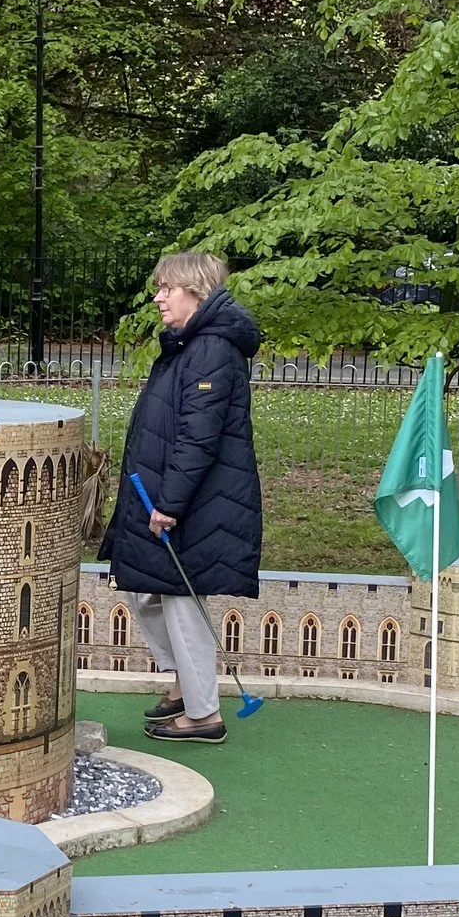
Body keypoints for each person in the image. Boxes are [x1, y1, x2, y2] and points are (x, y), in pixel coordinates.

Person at [102, 252, 263, 745]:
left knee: (180, 599)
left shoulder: (210, 349)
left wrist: (168, 504)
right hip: (170, 493)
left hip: (195, 502)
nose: (158, 297)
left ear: (194, 290)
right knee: (142, 586)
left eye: (166, 288)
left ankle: (203, 714)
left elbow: (198, 437)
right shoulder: (189, 344)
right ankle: (181, 686)